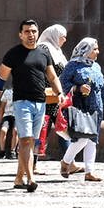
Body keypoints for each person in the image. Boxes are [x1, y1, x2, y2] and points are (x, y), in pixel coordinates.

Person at [0, 19, 62, 192]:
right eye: (27, 32)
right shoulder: (13, 54)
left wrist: (59, 93)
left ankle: (18, 179)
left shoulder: (44, 53)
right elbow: (0, 81)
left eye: (33, 31)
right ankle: (30, 179)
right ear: (20, 34)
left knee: (30, 142)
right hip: (21, 102)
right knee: (25, 140)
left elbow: (52, 77)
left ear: (38, 33)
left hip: (41, 103)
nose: (30, 35)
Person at [59, 37, 104, 182]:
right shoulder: (73, 65)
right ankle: (66, 162)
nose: (98, 52)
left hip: (96, 108)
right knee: (82, 139)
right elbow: (62, 83)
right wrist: (78, 88)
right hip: (81, 106)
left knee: (92, 140)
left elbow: (103, 88)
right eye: (95, 49)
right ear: (86, 50)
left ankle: (89, 172)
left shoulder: (96, 67)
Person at [35, 24, 68, 158]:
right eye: (62, 37)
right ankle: (33, 162)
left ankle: (69, 161)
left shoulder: (57, 51)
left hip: (57, 97)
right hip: (46, 96)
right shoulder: (44, 48)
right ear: (54, 36)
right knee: (42, 129)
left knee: (63, 129)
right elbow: (40, 70)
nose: (64, 40)